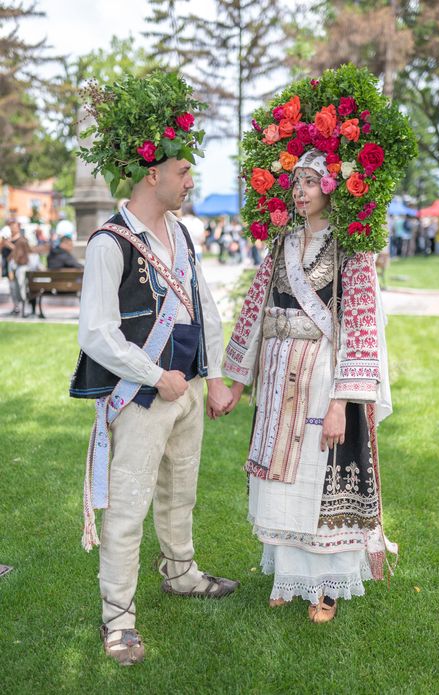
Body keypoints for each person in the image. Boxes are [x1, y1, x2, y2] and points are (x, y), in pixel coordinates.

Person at [70, 71, 237, 666]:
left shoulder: (183, 236)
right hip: (140, 397)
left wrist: (212, 375)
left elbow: (205, 307)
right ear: (153, 174)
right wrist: (152, 374)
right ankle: (118, 618)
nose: (191, 181)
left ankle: (181, 571)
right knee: (130, 504)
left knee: (180, 493)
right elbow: (97, 332)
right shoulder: (109, 243)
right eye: (184, 171)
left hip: (186, 388)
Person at [224, 152, 396, 622]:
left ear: (332, 187)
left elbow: (360, 327)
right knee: (280, 474)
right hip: (280, 379)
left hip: (322, 378)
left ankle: (327, 586)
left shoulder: (353, 250)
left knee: (317, 477)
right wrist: (237, 381)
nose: (299, 191)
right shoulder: (281, 244)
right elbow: (255, 308)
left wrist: (343, 401)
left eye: (309, 182)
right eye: (295, 182)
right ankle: (287, 575)